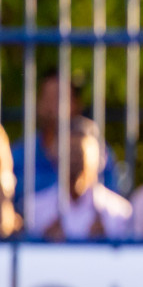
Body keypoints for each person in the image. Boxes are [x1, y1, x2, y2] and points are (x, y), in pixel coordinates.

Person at [11, 74, 122, 209]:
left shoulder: (98, 152)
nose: (51, 105)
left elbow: (110, 198)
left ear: (77, 104)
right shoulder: (20, 154)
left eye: (59, 98)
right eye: (46, 97)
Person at [30, 117, 132, 241]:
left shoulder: (119, 213)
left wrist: (106, 244)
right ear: (53, 155)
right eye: (69, 153)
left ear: (101, 157)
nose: (73, 160)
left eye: (79, 153)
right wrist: (44, 243)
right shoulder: (35, 211)